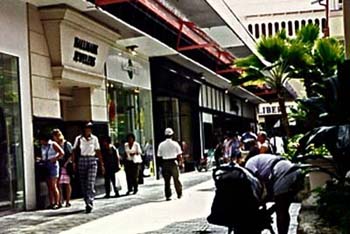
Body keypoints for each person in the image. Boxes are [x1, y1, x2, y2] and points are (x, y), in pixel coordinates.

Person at [245, 154, 304, 234]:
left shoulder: (249, 164)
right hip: (294, 169)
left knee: (281, 210)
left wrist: (259, 202)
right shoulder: (260, 160)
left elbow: (257, 183)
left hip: (283, 172)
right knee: (283, 207)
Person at [72, 122, 105, 213]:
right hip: (82, 160)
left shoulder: (94, 139)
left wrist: (101, 164)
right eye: (86, 128)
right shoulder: (78, 139)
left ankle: (90, 201)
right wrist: (74, 163)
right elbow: (74, 151)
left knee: (90, 182)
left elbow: (98, 151)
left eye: (89, 128)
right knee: (83, 183)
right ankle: (86, 200)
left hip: (92, 160)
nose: (88, 130)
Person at [39, 132, 64, 209]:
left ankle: (57, 202)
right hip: (45, 163)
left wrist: (55, 158)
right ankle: (51, 202)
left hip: (52, 164)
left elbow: (62, 153)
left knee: (54, 185)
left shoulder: (53, 144)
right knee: (49, 185)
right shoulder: (43, 146)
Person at [157, 128, 183, 201]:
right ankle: (179, 194)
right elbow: (179, 155)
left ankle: (168, 195)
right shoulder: (175, 144)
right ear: (172, 135)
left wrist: (160, 166)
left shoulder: (161, 145)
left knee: (167, 181)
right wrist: (181, 163)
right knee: (176, 179)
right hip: (173, 162)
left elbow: (159, 156)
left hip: (165, 163)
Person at [52, 129, 73, 208]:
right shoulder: (55, 144)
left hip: (66, 166)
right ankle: (60, 201)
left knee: (67, 183)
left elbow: (71, 154)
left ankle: (67, 201)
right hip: (59, 165)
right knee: (59, 184)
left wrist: (67, 163)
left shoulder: (67, 144)